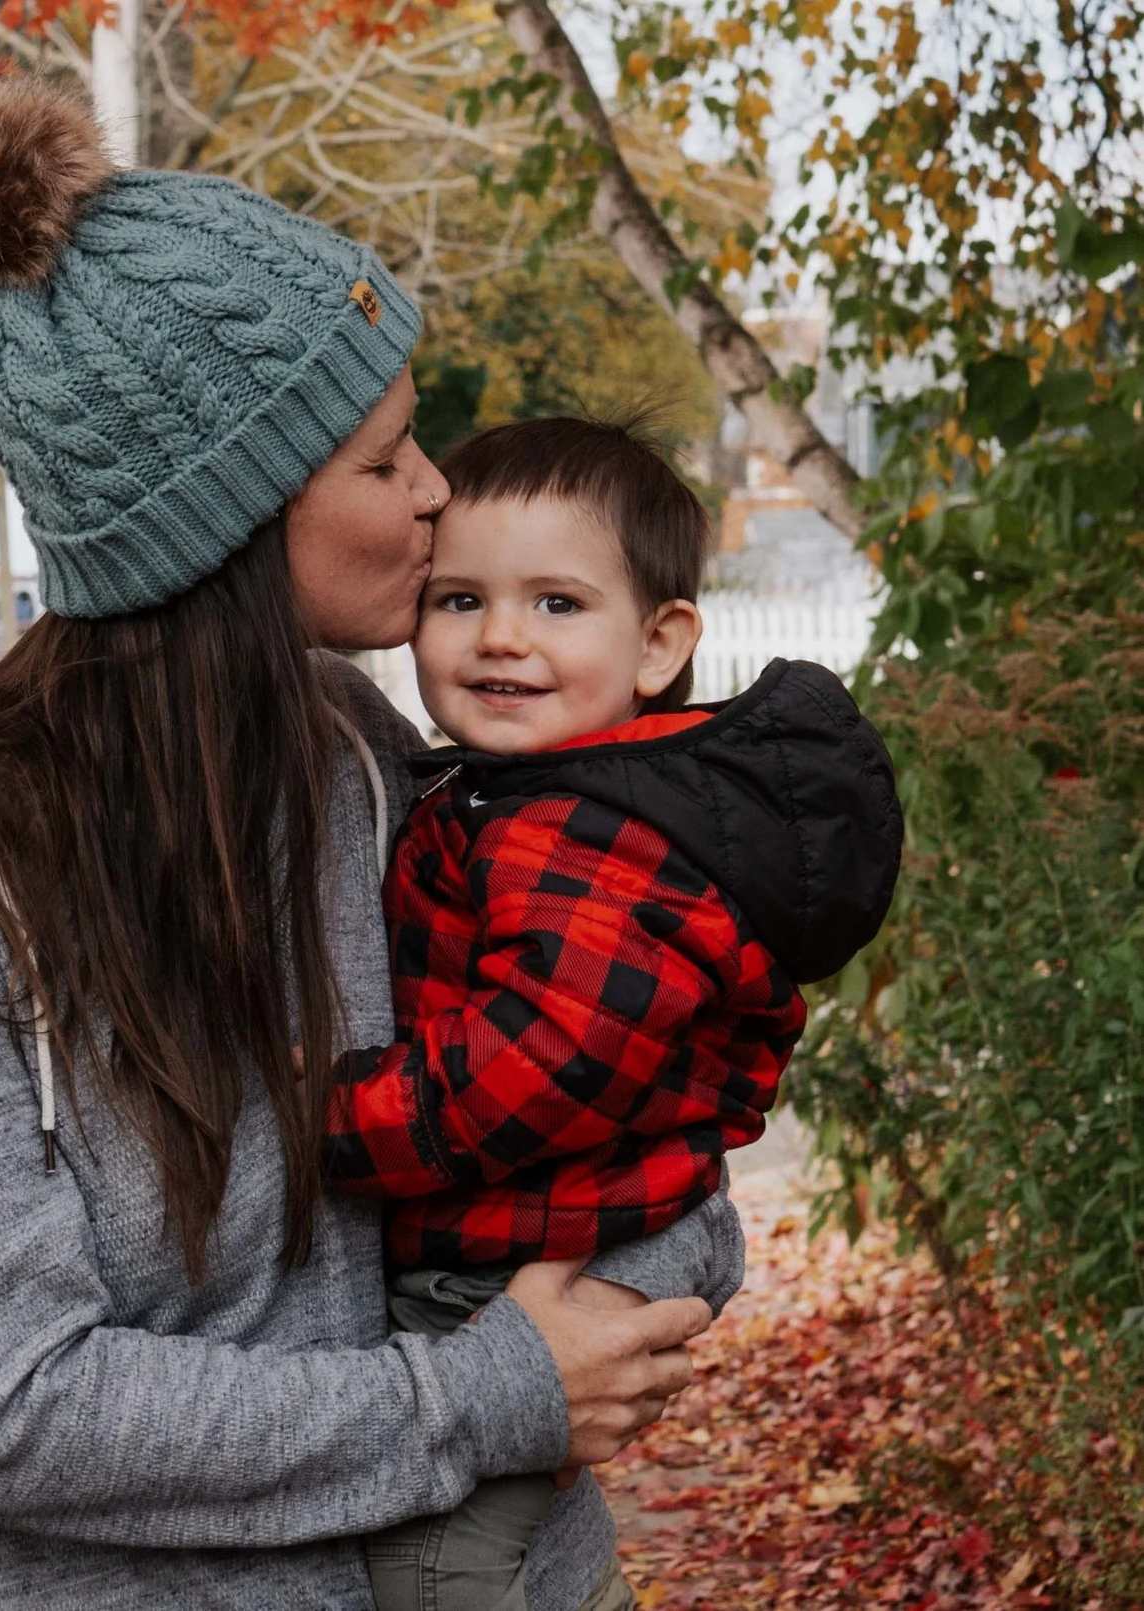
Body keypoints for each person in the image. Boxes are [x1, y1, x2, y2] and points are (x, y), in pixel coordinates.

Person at [0, 78, 724, 1611]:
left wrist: (629, 1288)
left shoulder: (380, 762)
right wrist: (480, 1398)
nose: (434, 494)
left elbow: (641, 1109)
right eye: (381, 460)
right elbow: (13, 1407)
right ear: (219, 519)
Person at [323, 416, 905, 1611]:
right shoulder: (523, 793)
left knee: (436, 1568)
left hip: (497, 1270)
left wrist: (319, 1116)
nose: (498, 638)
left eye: (556, 606)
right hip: (514, 1246)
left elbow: (541, 1064)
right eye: (459, 600)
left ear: (660, 644)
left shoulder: (584, 833)